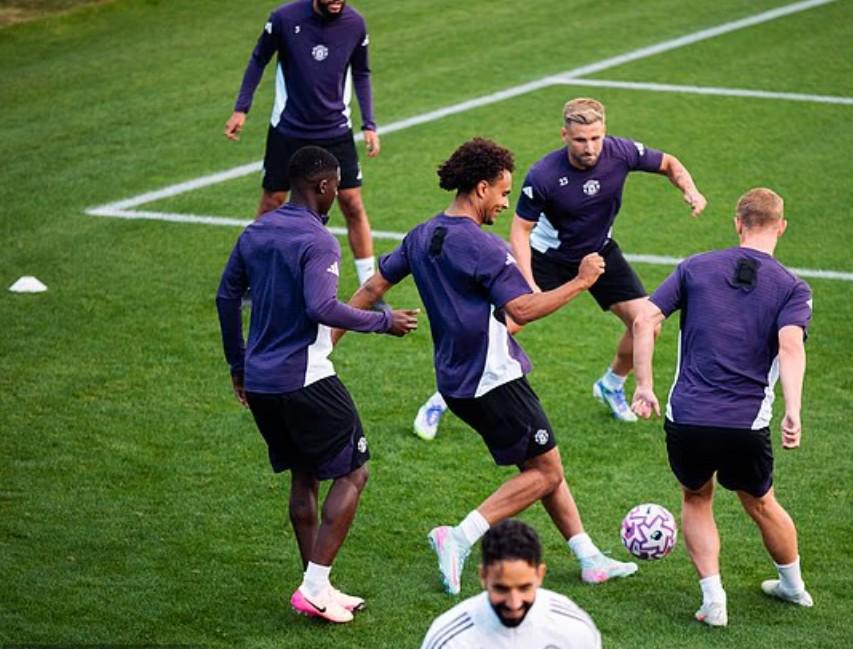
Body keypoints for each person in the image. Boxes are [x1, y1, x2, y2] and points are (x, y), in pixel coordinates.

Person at [344, 138, 638, 595]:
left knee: (544, 461)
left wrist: (327, 339)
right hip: (492, 378)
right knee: (545, 472)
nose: (505, 202)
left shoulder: (421, 234)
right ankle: (459, 537)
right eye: (502, 192)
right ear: (481, 188)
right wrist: (581, 282)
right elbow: (522, 310)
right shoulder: (484, 246)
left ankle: (589, 558)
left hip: (455, 380)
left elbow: (370, 289)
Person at [413, 97, 706, 434]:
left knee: (646, 323)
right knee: (500, 329)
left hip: (598, 253)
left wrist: (691, 190)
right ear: (564, 135)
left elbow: (669, 163)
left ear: (604, 132)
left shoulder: (621, 152)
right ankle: (441, 400)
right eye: (580, 139)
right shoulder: (544, 174)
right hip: (548, 257)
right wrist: (528, 281)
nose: (589, 147)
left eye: (595, 138)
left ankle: (611, 385)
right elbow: (520, 230)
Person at [215, 146, 418, 624]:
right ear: (324, 186)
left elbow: (226, 297)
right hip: (305, 378)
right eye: (336, 186)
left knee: (304, 475)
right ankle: (313, 585)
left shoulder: (256, 231)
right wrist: (382, 321)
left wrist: (238, 366)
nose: (337, 194)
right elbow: (321, 307)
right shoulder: (318, 240)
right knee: (355, 472)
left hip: (262, 383)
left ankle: (318, 588)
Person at [631, 188, 814, 627]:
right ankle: (793, 587)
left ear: (737, 223)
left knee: (696, 497)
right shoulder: (792, 287)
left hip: (687, 417)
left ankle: (714, 600)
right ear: (781, 227)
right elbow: (790, 346)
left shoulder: (695, 267)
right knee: (761, 502)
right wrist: (793, 410)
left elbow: (643, 319)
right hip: (745, 424)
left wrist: (644, 386)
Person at [224, 0, 381, 286]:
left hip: (335, 131)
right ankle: (248, 278)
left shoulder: (355, 24)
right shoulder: (284, 19)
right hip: (289, 130)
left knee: (352, 203)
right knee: (272, 202)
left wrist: (369, 123)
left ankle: (371, 288)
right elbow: (259, 59)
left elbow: (361, 72)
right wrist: (241, 108)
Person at [420, 519, 602, 648]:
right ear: (483, 576)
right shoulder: (450, 641)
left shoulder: (575, 630)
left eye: (524, 588)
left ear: (539, 575)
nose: (514, 603)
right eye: (501, 589)